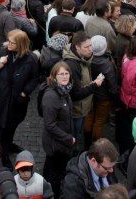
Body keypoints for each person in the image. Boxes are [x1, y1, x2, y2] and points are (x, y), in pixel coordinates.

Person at [0, 29, 39, 163]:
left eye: (12, 42)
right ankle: (3, 152)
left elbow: (34, 78)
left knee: (13, 123)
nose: (8, 44)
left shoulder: (31, 58)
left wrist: (25, 92)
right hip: (3, 97)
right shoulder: (3, 52)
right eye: (9, 41)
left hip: (18, 99)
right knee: (3, 126)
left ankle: (9, 144)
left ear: (20, 44)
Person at [40, 61, 78, 193]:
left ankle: (45, 186)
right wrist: (68, 138)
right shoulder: (51, 96)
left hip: (60, 142)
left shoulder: (64, 90)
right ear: (54, 76)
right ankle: (53, 193)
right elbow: (49, 125)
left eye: (66, 73)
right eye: (60, 74)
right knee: (55, 174)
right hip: (56, 144)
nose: (64, 76)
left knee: (50, 167)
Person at [61, 138, 125, 199]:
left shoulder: (107, 165)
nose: (111, 170)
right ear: (93, 161)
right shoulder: (73, 184)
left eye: (113, 166)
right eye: (107, 168)